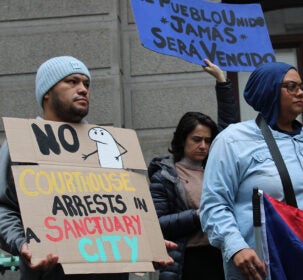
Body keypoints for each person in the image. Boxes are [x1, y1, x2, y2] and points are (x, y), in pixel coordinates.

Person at [0, 56, 176, 280]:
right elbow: (3, 208)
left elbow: (123, 208)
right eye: (72, 82)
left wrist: (145, 242)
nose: (82, 89)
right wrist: (22, 243)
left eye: (86, 84)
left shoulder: (106, 144)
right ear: (47, 92)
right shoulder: (21, 143)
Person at [200, 62, 303, 280]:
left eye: (302, 87)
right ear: (269, 90)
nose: (300, 92)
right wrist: (236, 247)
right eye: (291, 86)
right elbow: (214, 204)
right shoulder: (233, 140)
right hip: (267, 270)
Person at [147, 59, 240, 280]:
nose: (203, 146)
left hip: (223, 255)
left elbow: (230, 131)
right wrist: (198, 215)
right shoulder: (165, 176)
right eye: (196, 139)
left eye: (208, 141)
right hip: (187, 261)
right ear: (182, 139)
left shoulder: (216, 168)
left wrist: (222, 81)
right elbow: (157, 224)